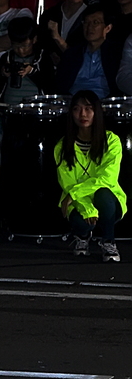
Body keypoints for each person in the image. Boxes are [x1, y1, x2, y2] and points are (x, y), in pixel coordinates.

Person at [56, 91, 124, 262]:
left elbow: (107, 178)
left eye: (88, 108)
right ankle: (83, 236)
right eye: (77, 109)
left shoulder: (111, 141)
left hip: (107, 201)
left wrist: (73, 195)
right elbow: (68, 183)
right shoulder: (62, 146)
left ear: (97, 112)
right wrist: (87, 210)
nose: (83, 114)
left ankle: (108, 242)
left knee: (103, 193)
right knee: (81, 222)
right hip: (77, 202)